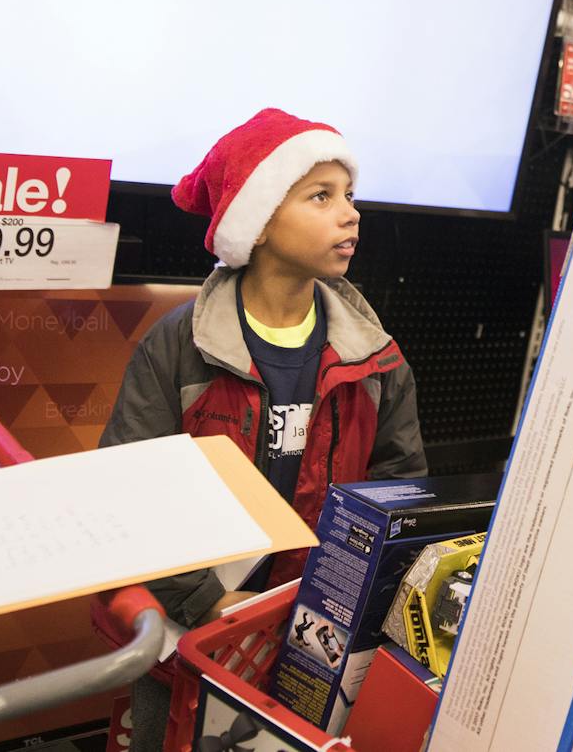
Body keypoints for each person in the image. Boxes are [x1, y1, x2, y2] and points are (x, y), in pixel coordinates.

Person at [100, 108, 425, 749]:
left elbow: (401, 492)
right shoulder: (179, 345)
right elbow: (125, 490)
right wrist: (199, 602)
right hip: (186, 630)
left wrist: (346, 607)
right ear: (260, 219)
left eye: (350, 196)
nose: (350, 214)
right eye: (320, 196)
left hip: (313, 640)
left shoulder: (377, 357)